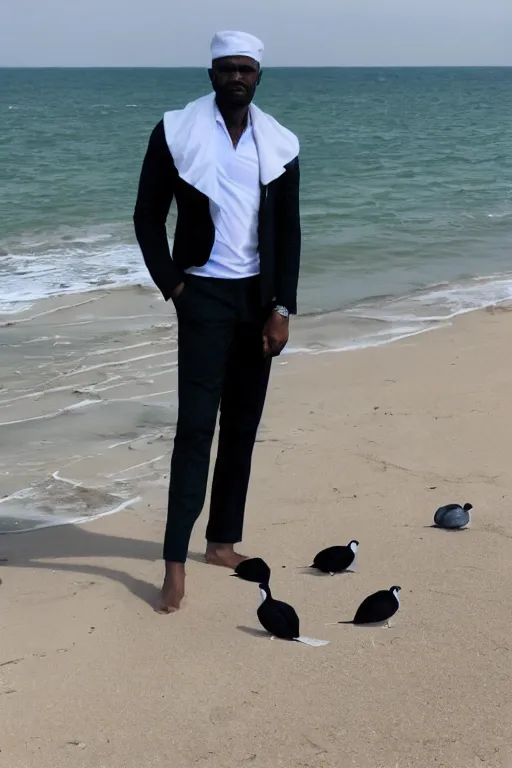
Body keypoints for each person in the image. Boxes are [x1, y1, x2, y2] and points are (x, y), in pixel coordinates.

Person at [133, 30, 301, 612]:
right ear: (211, 73)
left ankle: (222, 543)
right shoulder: (176, 131)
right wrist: (174, 285)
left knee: (242, 429)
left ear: (258, 75)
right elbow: (148, 214)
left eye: (246, 69)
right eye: (227, 68)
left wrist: (282, 308)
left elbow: (289, 233)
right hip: (202, 295)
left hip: (258, 302)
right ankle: (174, 562)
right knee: (195, 429)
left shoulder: (278, 142)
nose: (237, 77)